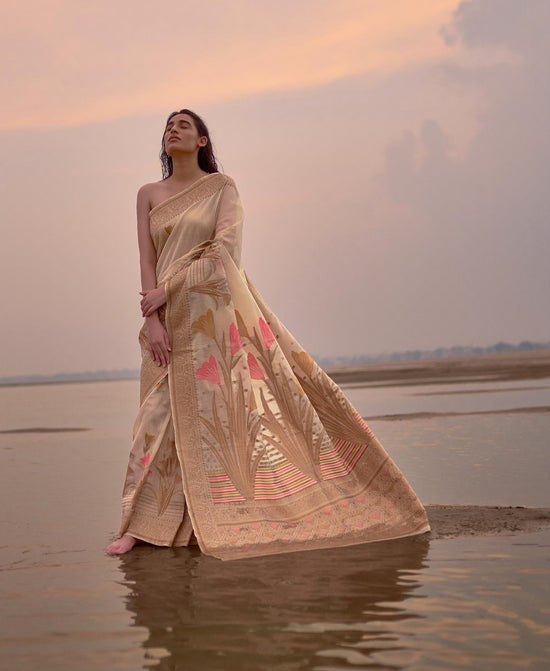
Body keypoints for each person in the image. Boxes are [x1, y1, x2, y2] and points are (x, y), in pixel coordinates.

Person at [106, 109, 430, 560]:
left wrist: (169, 289)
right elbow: (146, 261)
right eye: (168, 125)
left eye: (184, 124)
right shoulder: (147, 194)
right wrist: (152, 318)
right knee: (156, 422)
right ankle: (140, 525)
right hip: (163, 322)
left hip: (210, 319)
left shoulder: (221, 189)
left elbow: (224, 251)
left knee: (219, 418)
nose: (173, 129)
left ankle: (215, 516)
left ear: (202, 140)